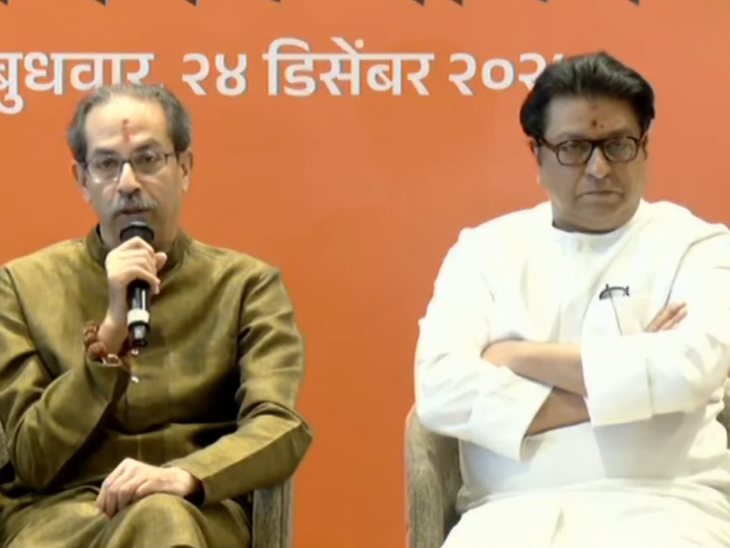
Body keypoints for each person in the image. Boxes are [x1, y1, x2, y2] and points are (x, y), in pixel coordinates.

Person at [414, 51, 730, 547]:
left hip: (666, 507)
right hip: (507, 516)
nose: (599, 168)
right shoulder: (483, 252)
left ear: (644, 146)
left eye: (618, 145)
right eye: (574, 147)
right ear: (538, 154)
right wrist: (633, 379)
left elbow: (692, 368)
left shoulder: (697, 245)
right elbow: (440, 389)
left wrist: (518, 357)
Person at [0, 83, 312, 548]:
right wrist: (108, 339)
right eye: (107, 164)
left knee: (162, 516)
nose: (128, 182)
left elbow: (280, 427)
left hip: (192, 513)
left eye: (147, 159)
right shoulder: (22, 286)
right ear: (82, 179)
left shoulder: (246, 285)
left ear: (184, 167)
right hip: (63, 518)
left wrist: (187, 474)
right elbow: (32, 460)